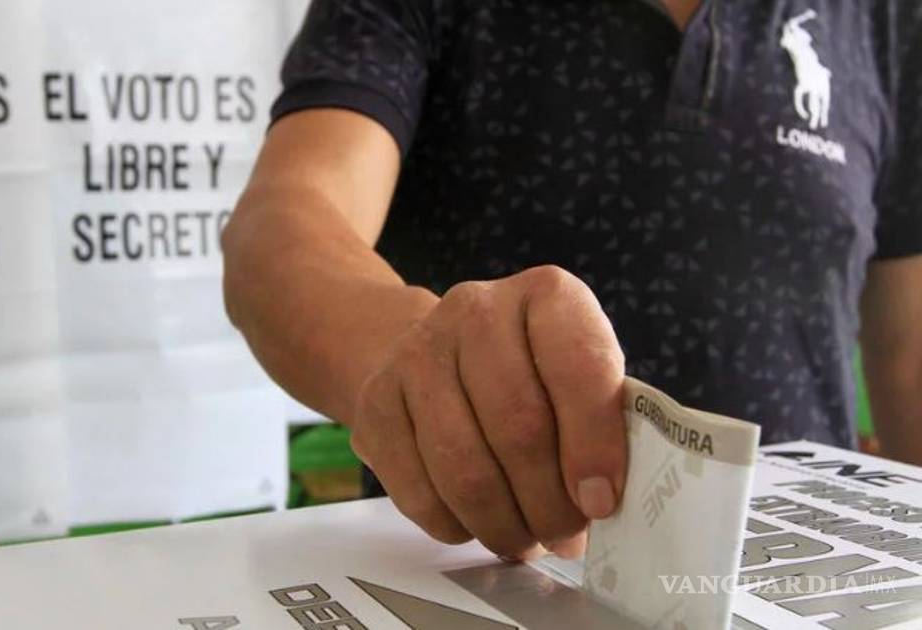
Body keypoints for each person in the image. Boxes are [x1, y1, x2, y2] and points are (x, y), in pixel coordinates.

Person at [221, 0, 922, 561]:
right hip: (470, 573)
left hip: (801, 580)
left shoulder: (888, 18)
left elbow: (909, 348)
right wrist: (414, 354)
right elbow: (283, 230)